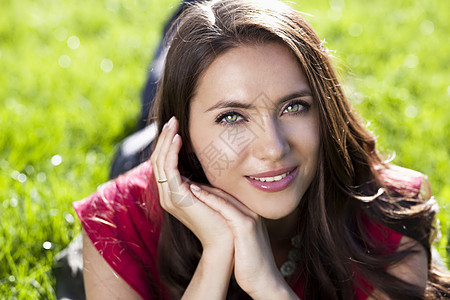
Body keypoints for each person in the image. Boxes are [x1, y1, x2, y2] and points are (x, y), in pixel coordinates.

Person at [73, 0, 450, 299]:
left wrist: (268, 286)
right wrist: (217, 253)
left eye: (294, 106)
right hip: (160, 155)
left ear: (325, 109)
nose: (273, 148)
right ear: (183, 131)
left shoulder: (391, 207)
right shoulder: (116, 218)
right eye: (232, 117)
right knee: (152, 108)